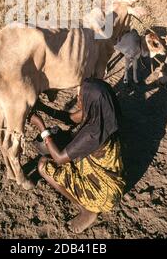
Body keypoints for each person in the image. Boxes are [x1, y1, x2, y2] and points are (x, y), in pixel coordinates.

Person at [30, 78, 125, 234]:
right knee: (65, 143)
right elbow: (70, 118)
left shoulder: (93, 132)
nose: (78, 99)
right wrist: (43, 108)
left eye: (81, 97)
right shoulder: (103, 110)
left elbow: (60, 157)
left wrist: (41, 127)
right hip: (111, 177)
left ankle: (86, 210)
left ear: (89, 100)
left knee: (43, 164)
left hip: (103, 193)